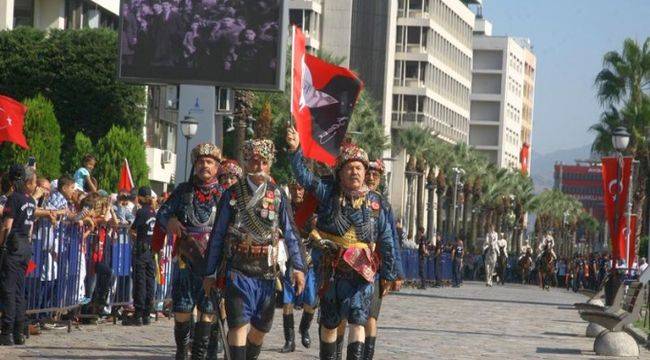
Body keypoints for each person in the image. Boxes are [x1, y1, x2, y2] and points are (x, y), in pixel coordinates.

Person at [287, 127, 398, 360]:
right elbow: (304, 177)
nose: (355, 172)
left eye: (359, 168)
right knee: (329, 322)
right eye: (350, 168)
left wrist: (389, 273)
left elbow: (386, 239)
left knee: (358, 319)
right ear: (340, 172)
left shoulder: (376, 202)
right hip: (332, 269)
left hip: (362, 273)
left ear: (366, 171)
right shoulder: (327, 193)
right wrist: (295, 149)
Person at [202, 139, 306, 360]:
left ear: (270, 164)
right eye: (254, 161)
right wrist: (210, 272)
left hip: (266, 273)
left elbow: (290, 233)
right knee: (238, 326)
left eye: (264, 162)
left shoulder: (278, 195)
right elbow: (218, 235)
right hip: (238, 271)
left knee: (259, 331)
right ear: (247, 163)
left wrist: (299, 267)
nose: (259, 167)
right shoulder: (232, 195)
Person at [156, 143, 224, 360]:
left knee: (207, 312)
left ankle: (199, 355)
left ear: (217, 167)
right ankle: (181, 352)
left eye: (210, 162)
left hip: (212, 263)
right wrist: (171, 221)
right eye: (201, 162)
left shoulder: (224, 195)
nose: (205, 165)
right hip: (186, 260)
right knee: (183, 311)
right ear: (195, 165)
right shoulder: (183, 191)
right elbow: (162, 214)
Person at [361, 159, 403, 360]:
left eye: (375, 175)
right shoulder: (348, 196)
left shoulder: (383, 205)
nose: (370, 178)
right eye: (367, 173)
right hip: (348, 266)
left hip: (374, 268)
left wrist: (395, 273)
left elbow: (392, 240)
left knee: (371, 316)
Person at [279, 181, 318, 353]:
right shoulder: (285, 207)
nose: (297, 192)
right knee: (287, 301)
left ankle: (304, 328)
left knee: (311, 300)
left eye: (300, 188)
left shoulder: (313, 208)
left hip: (309, 257)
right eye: (294, 188)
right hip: (291, 257)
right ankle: (290, 340)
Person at [0, 165, 37, 346]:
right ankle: (19, 332)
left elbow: (7, 225)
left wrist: (2, 243)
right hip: (25, 246)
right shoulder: (31, 201)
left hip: (13, 246)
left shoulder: (13, 198)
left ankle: (6, 332)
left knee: (8, 289)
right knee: (19, 290)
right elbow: (30, 228)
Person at [124, 187, 157, 326]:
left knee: (140, 281)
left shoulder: (142, 212)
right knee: (150, 281)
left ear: (141, 197)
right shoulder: (153, 212)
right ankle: (147, 314)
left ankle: (138, 314)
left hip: (141, 249)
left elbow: (133, 230)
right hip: (150, 250)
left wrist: (130, 232)